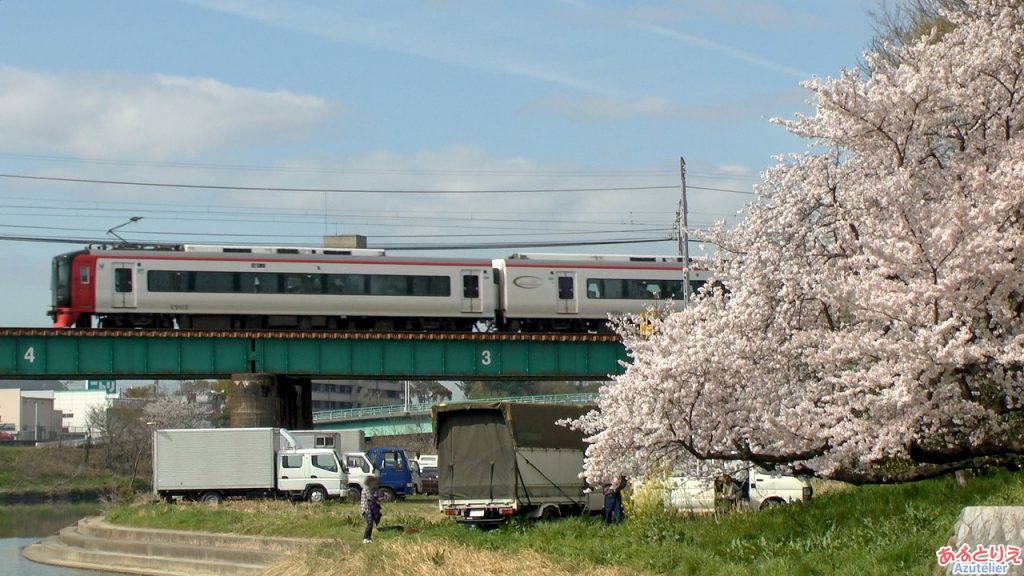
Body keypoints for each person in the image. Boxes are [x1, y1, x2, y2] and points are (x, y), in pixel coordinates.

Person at [360, 475, 382, 544]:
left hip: (369, 509)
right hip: (366, 509)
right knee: (370, 523)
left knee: (371, 523)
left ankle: (368, 537)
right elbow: (370, 497)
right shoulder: (366, 489)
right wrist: (377, 497)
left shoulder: (370, 488)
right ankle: (365, 538)